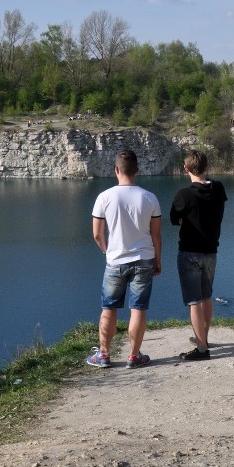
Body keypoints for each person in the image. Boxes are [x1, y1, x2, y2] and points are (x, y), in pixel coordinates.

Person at [89, 150, 162, 368]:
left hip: (115, 260)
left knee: (108, 308)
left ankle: (103, 355)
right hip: (144, 259)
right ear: (137, 171)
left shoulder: (104, 197)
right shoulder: (150, 197)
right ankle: (133, 355)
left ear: (116, 170)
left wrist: (106, 251)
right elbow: (156, 235)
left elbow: (97, 234)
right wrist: (158, 260)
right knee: (138, 308)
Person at [170, 150, 228, 360]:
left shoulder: (183, 195)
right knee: (206, 297)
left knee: (194, 301)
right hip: (211, 252)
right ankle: (203, 337)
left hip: (189, 253)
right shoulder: (219, 189)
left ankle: (202, 349)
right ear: (207, 167)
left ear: (186, 169)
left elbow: (174, 219)